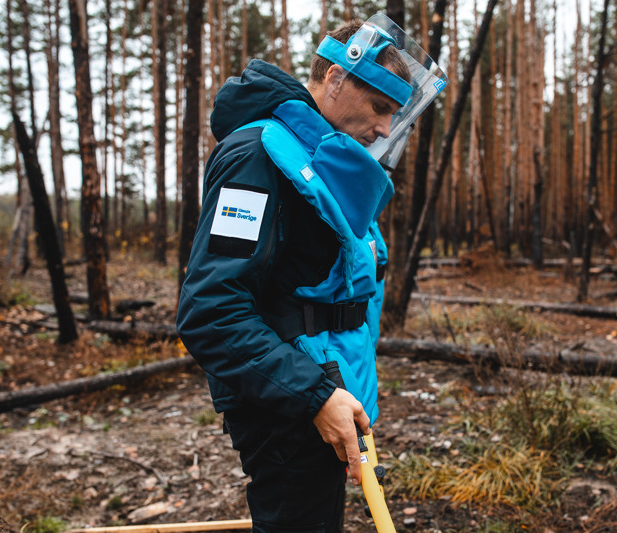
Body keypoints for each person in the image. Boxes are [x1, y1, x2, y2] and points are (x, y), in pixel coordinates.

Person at [177, 15, 445, 533]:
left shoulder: (320, 160)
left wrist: (334, 392)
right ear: (336, 79)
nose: (385, 129)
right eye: (380, 107)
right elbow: (210, 310)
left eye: (395, 115)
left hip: (326, 386)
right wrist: (314, 395)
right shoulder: (256, 156)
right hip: (286, 402)